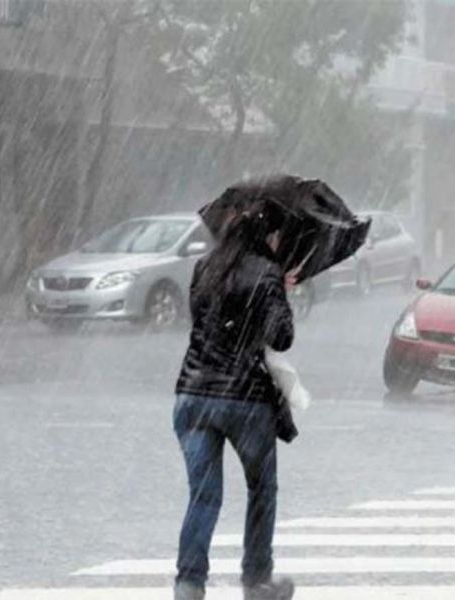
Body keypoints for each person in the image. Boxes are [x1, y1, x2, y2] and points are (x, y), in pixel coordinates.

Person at [173, 199, 296, 600]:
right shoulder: (266, 273)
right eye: (276, 234)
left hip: (193, 395)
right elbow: (282, 338)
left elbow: (202, 320)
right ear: (265, 235)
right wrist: (280, 293)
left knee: (203, 495)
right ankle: (257, 581)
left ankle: (189, 586)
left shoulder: (203, 268)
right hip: (245, 399)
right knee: (262, 489)